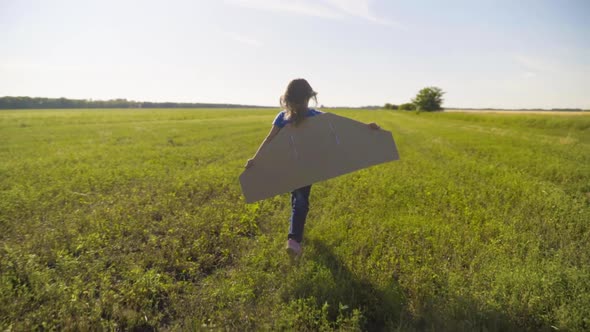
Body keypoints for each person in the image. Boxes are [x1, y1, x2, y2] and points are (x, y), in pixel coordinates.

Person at [244, 78, 380, 258]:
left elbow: (340, 126)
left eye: (303, 100)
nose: (301, 104)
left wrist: (365, 127)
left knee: (300, 200)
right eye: (299, 100)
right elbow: (269, 139)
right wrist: (256, 158)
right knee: (299, 200)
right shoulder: (283, 117)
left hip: (307, 167)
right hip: (289, 165)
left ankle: (294, 239)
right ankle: (294, 238)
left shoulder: (316, 116)